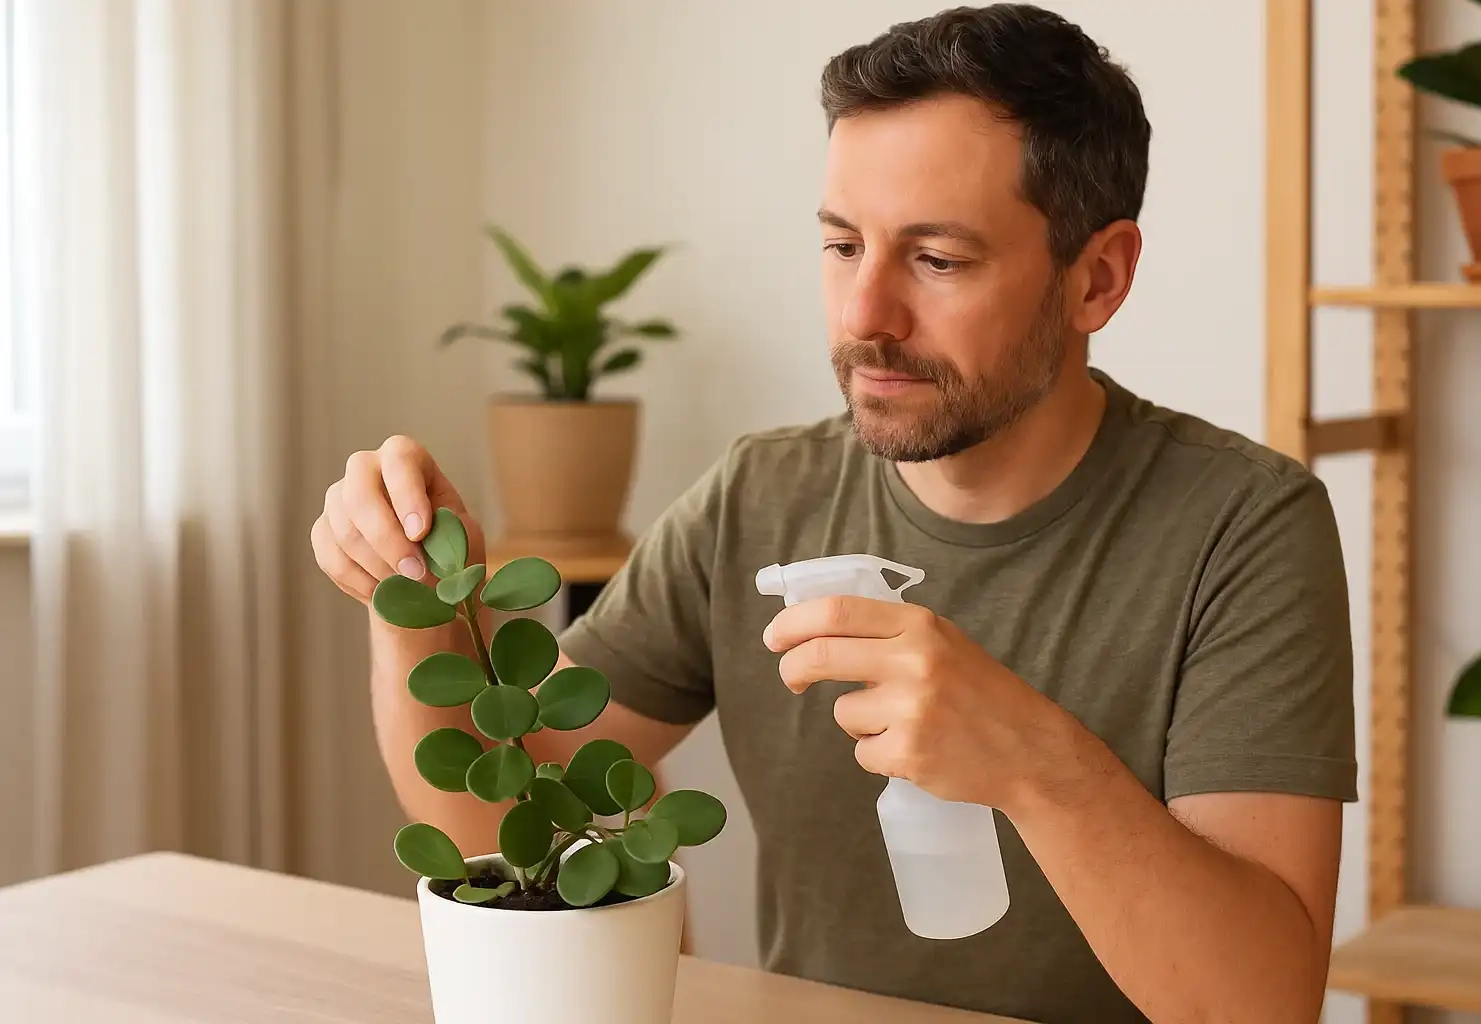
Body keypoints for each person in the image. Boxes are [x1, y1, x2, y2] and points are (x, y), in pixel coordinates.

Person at [312, 5, 1356, 1022]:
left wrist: (1032, 760)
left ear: (1098, 279)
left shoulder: (1243, 527)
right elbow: (505, 821)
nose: (864, 315)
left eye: (937, 259)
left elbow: (1261, 1003)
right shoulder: (760, 497)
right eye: (844, 245)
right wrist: (414, 605)